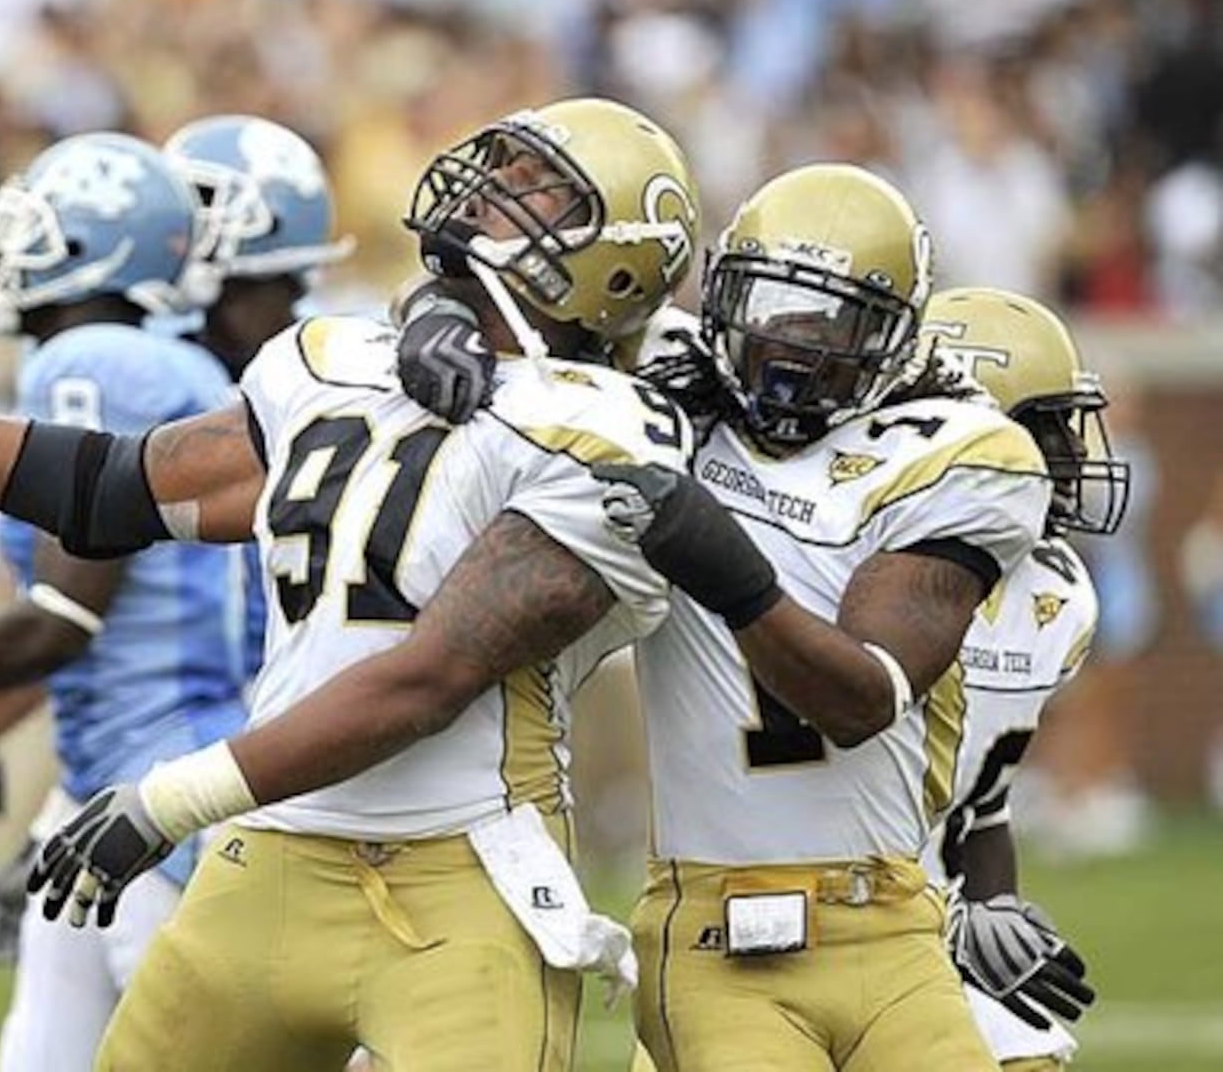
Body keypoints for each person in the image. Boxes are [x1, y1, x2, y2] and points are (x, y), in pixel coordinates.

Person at [0, 97, 729, 1071]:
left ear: (613, 259)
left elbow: (424, 679)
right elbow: (114, 488)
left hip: (460, 876)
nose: (486, 191)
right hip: (272, 858)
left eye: (531, 187)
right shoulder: (333, 359)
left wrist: (167, 800)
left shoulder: (610, 437)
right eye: (502, 166)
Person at [400, 163, 1055, 1070]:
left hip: (892, 921)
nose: (786, 342)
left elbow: (861, 699)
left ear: (898, 336)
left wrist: (719, 559)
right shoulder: (662, 386)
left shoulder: (954, 454)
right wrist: (433, 312)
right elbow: (507, 297)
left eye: (832, 318)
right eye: (763, 300)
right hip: (717, 929)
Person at [0, 128, 270, 1072]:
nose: (13, 243)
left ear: (97, 248)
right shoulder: (171, 366)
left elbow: (65, 618)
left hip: (158, 792)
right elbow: (104, 624)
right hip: (118, 775)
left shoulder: (95, 362)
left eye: (42, 225)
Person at [917, 287, 1125, 1071]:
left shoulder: (1054, 596)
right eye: (1046, 429)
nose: (1072, 457)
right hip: (810, 916)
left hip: (922, 919)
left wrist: (992, 909)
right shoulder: (846, 562)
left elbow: (982, 802)